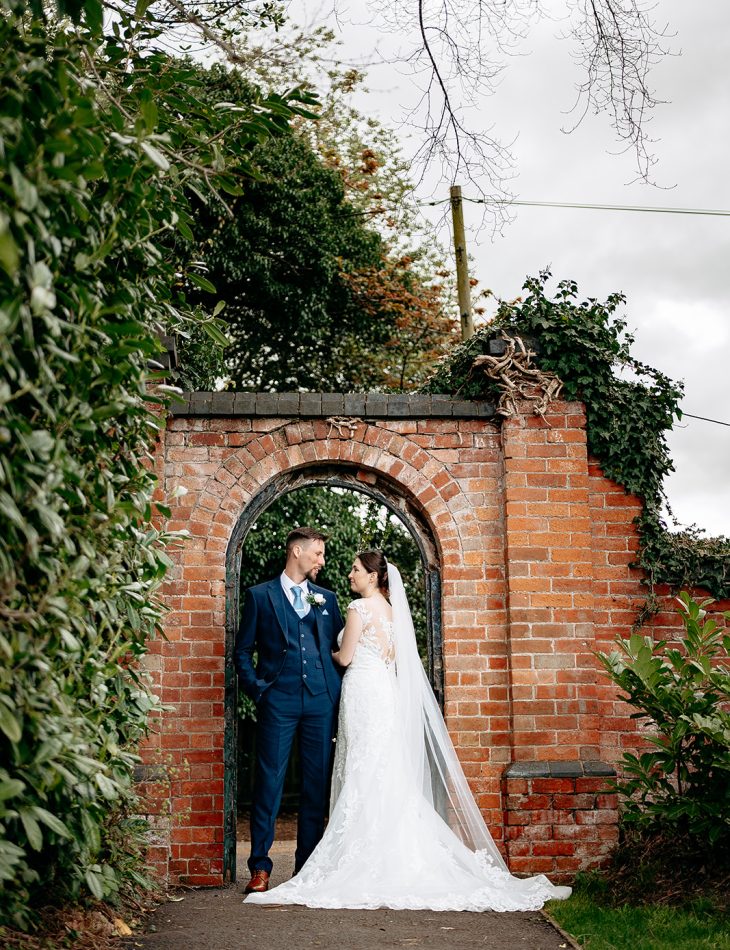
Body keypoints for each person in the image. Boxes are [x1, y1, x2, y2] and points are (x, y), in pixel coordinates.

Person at [245, 550, 572, 911]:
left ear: (373, 576)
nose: (349, 574)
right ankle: (389, 853)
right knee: (384, 770)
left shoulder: (357, 608)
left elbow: (345, 658)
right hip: (384, 694)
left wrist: (327, 652)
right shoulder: (393, 611)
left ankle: (357, 857)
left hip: (362, 692)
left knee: (362, 769)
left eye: (355, 569)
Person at [234, 527, 344, 894]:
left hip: (320, 701)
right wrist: (258, 690)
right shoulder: (260, 596)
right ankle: (260, 867)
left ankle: (305, 869)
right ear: (297, 551)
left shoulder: (327, 599)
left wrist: (337, 691)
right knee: (269, 782)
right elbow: (242, 651)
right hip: (277, 700)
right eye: (318, 553)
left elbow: (340, 648)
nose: (321, 560)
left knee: (316, 784)